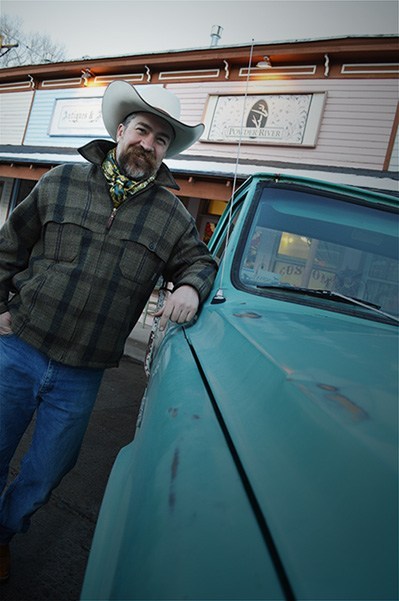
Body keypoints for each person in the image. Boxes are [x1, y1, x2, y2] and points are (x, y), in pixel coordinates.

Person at [0, 81, 218, 581]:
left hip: (82, 372)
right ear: (121, 130)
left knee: (46, 472)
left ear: (166, 151)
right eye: (142, 130)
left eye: (161, 139)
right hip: (19, 347)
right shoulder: (60, 181)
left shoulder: (172, 216)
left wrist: (190, 286)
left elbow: (200, 263)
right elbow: (9, 247)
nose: (148, 144)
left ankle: (4, 534)